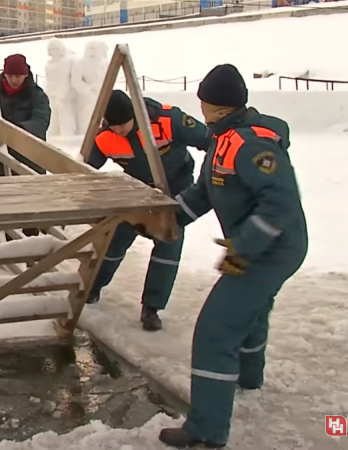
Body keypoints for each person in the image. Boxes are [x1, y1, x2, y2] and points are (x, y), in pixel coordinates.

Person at [158, 64, 307, 448]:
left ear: (214, 104)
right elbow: (206, 192)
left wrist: (245, 246)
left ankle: (206, 429)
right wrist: (167, 219)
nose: (201, 107)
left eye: (205, 101)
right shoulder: (222, 138)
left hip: (270, 249)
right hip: (259, 246)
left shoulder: (250, 144)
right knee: (251, 310)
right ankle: (248, 376)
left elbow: (281, 203)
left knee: (216, 329)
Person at [84, 90, 210, 331]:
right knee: (114, 240)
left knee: (168, 246)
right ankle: (92, 288)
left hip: (175, 192)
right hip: (138, 192)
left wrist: (203, 186)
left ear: (134, 114)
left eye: (124, 124)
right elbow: (84, 167)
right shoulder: (104, 137)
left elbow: (210, 141)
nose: (120, 130)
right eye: (114, 125)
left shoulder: (167, 120)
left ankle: (151, 308)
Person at [0, 53, 51, 177]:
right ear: (4, 74)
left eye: (18, 76)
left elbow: (40, 123)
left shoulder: (38, 97)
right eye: (10, 75)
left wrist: (10, 131)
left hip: (30, 164)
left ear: (25, 75)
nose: (14, 80)